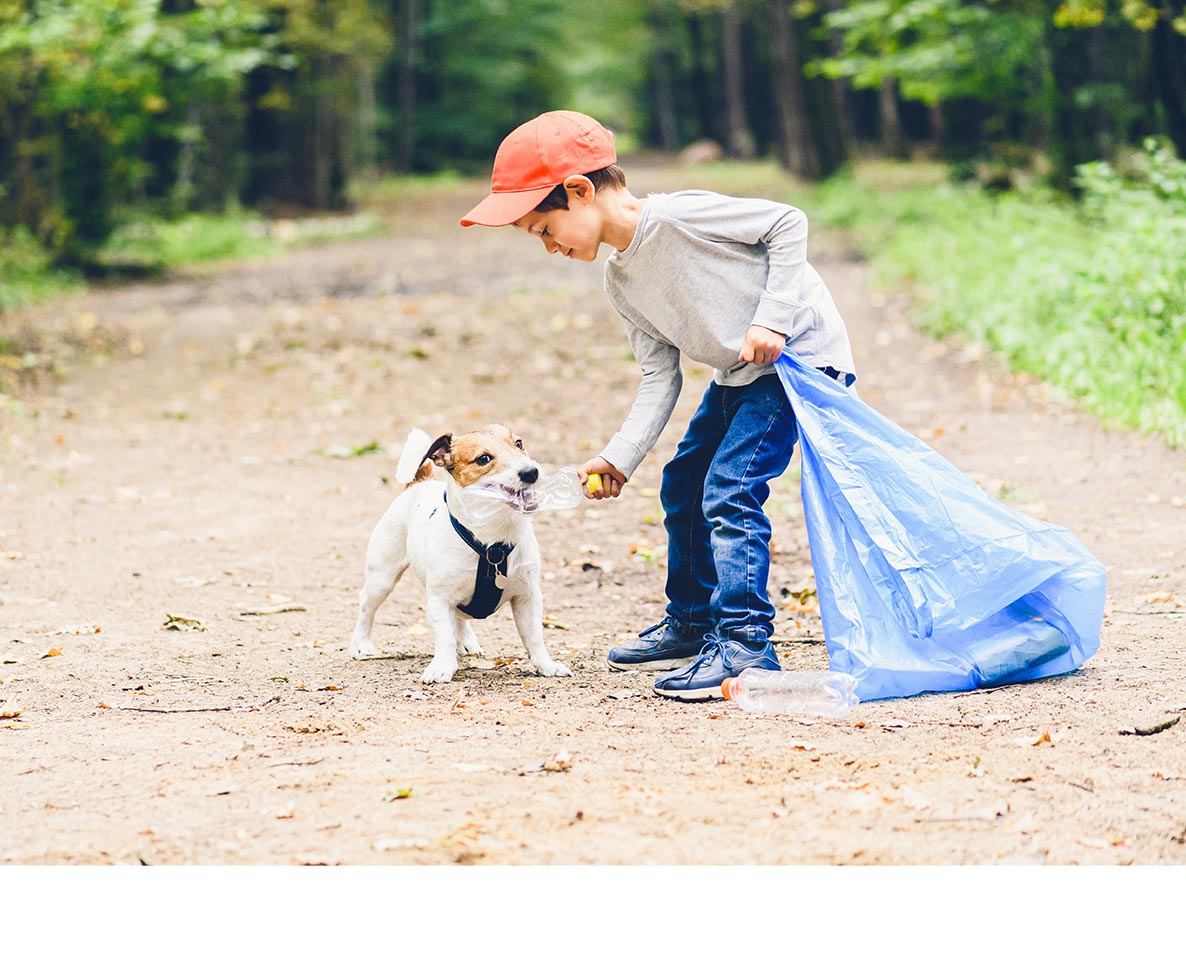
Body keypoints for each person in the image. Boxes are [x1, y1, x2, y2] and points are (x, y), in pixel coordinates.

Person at [460, 110, 856, 700]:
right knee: (683, 482)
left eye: (545, 229)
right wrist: (618, 458)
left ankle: (746, 642)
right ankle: (694, 622)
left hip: (800, 362)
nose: (548, 247)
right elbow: (657, 378)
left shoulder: (679, 217)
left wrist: (772, 317)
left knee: (729, 487)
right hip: (742, 373)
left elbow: (787, 222)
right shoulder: (621, 282)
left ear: (579, 190)